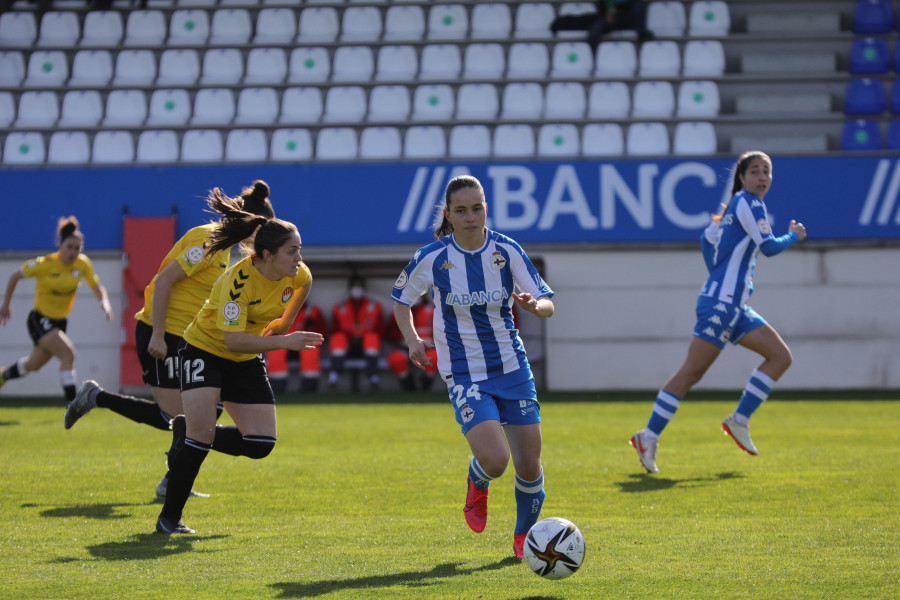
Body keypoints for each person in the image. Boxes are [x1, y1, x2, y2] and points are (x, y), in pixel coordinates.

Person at [63, 181, 275, 501]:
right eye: (263, 232)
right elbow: (163, 282)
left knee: (201, 412)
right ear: (252, 224)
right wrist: (159, 335)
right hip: (162, 333)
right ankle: (98, 399)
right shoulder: (207, 240)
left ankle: (171, 478)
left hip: (188, 339)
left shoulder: (226, 251)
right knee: (180, 420)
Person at [391, 175, 555, 559]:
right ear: (448, 214)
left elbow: (547, 300)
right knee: (496, 460)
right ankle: (477, 482)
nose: (470, 217)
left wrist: (536, 307)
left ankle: (523, 536)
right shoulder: (432, 257)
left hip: (512, 367)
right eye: (461, 211)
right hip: (464, 372)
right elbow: (401, 299)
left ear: (486, 208)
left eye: (477, 208)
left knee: (529, 466)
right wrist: (413, 340)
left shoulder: (506, 250)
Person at [629, 151, 807, 474]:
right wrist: (794, 236)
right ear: (741, 177)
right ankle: (648, 437)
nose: (762, 177)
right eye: (755, 171)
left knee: (780, 356)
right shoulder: (750, 203)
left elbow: (705, 238)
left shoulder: (733, 209)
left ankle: (739, 420)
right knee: (691, 373)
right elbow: (768, 247)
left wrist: (718, 276)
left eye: (767, 171)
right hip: (723, 304)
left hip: (733, 305)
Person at [156, 189, 323, 534]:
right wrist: (284, 343)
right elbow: (231, 339)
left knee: (261, 444)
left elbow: (282, 323)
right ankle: (169, 520)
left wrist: (281, 335)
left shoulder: (301, 276)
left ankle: (187, 431)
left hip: (244, 357)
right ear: (267, 255)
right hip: (205, 349)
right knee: (201, 440)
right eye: (292, 251)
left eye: (300, 249)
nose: (299, 257)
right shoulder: (238, 280)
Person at [0, 216, 113, 404]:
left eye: (77, 248)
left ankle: (3, 376)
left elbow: (97, 286)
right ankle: (73, 404)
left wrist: (105, 302)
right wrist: (5, 305)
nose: (73, 252)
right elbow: (14, 276)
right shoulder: (45, 264)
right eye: (69, 246)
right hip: (40, 319)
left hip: (60, 322)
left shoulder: (82, 264)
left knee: (31, 365)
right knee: (68, 354)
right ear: (60, 245)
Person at [327, 274, 385, 392]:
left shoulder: (375, 306)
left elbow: (381, 330)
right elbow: (334, 329)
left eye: (359, 286)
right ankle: (333, 378)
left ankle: (374, 378)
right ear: (349, 288)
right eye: (354, 286)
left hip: (367, 350)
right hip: (347, 349)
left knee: (372, 338)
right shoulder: (340, 307)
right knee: (337, 338)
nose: (356, 289)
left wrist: (361, 333)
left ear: (364, 288)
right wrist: (352, 334)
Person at [266, 300, 328, 392]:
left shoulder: (312, 311)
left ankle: (309, 385)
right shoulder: (277, 310)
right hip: (283, 343)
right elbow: (267, 331)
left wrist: (311, 328)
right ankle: (277, 386)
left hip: (302, 344)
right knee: (275, 350)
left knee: (311, 348)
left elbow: (322, 332)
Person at [550, 0, 651, 51]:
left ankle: (642, 36)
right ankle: (590, 57)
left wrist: (616, 8)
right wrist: (608, 12)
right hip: (609, 19)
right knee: (596, 28)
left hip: (627, 18)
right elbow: (604, 8)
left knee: (639, 6)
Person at [386, 293, 438, 392]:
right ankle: (409, 385)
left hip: (428, 346)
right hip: (406, 347)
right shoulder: (399, 310)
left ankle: (426, 384)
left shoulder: (433, 309)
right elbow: (390, 332)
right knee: (396, 358)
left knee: (434, 358)